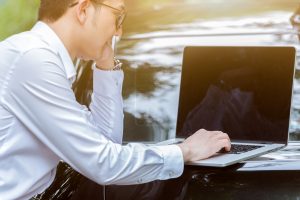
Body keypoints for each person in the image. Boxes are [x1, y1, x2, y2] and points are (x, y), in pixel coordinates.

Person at [0, 0, 231, 199]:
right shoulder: (33, 60)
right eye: (118, 15)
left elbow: (104, 142)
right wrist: (185, 151)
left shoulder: (39, 58)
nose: (119, 31)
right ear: (83, 10)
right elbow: (103, 164)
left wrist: (106, 66)